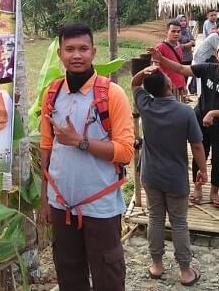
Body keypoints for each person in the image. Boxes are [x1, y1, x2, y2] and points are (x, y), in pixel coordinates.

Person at [40, 23, 134, 291]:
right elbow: (47, 147)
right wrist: (45, 199)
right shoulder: (52, 93)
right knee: (69, 275)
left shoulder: (111, 94)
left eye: (83, 49)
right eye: (69, 49)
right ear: (60, 53)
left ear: (93, 52)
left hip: (100, 206)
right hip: (60, 204)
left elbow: (126, 152)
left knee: (108, 276)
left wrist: (80, 142)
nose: (76, 55)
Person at [148, 39, 219, 208]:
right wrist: (160, 59)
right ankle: (197, 188)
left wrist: (213, 113)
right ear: (216, 55)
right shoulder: (208, 69)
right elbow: (182, 69)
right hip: (200, 119)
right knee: (199, 154)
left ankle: (214, 191)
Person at [131, 66, 207, 286]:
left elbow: (135, 85)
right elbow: (197, 146)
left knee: (155, 218)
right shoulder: (185, 112)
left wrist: (144, 72)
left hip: (150, 174)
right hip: (175, 177)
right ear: (169, 85)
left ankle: (156, 265)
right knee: (179, 223)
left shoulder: (146, 105)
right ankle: (185, 271)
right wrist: (202, 170)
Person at [155, 20, 186, 99]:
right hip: (168, 86)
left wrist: (184, 84)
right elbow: (156, 67)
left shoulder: (178, 45)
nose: (176, 34)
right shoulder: (160, 47)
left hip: (180, 85)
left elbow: (180, 65)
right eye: (173, 31)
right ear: (167, 32)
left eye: (178, 31)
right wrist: (166, 80)